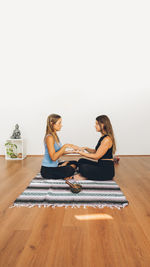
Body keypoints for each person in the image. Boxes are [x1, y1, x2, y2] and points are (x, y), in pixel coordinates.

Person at [74, 115, 116, 181]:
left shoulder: (106, 139)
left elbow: (96, 156)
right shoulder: (103, 137)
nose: (95, 126)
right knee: (81, 161)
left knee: (84, 167)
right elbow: (96, 151)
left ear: (103, 125)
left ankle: (86, 176)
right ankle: (87, 175)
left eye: (97, 124)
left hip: (107, 171)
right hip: (100, 165)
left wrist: (80, 153)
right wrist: (85, 148)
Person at [40, 114, 79, 179]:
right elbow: (53, 158)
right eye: (59, 123)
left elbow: (58, 152)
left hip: (55, 165)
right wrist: (65, 146)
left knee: (75, 162)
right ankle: (62, 169)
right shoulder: (49, 137)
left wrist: (71, 152)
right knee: (70, 169)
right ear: (52, 124)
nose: (61, 125)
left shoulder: (54, 135)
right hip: (47, 170)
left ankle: (60, 167)